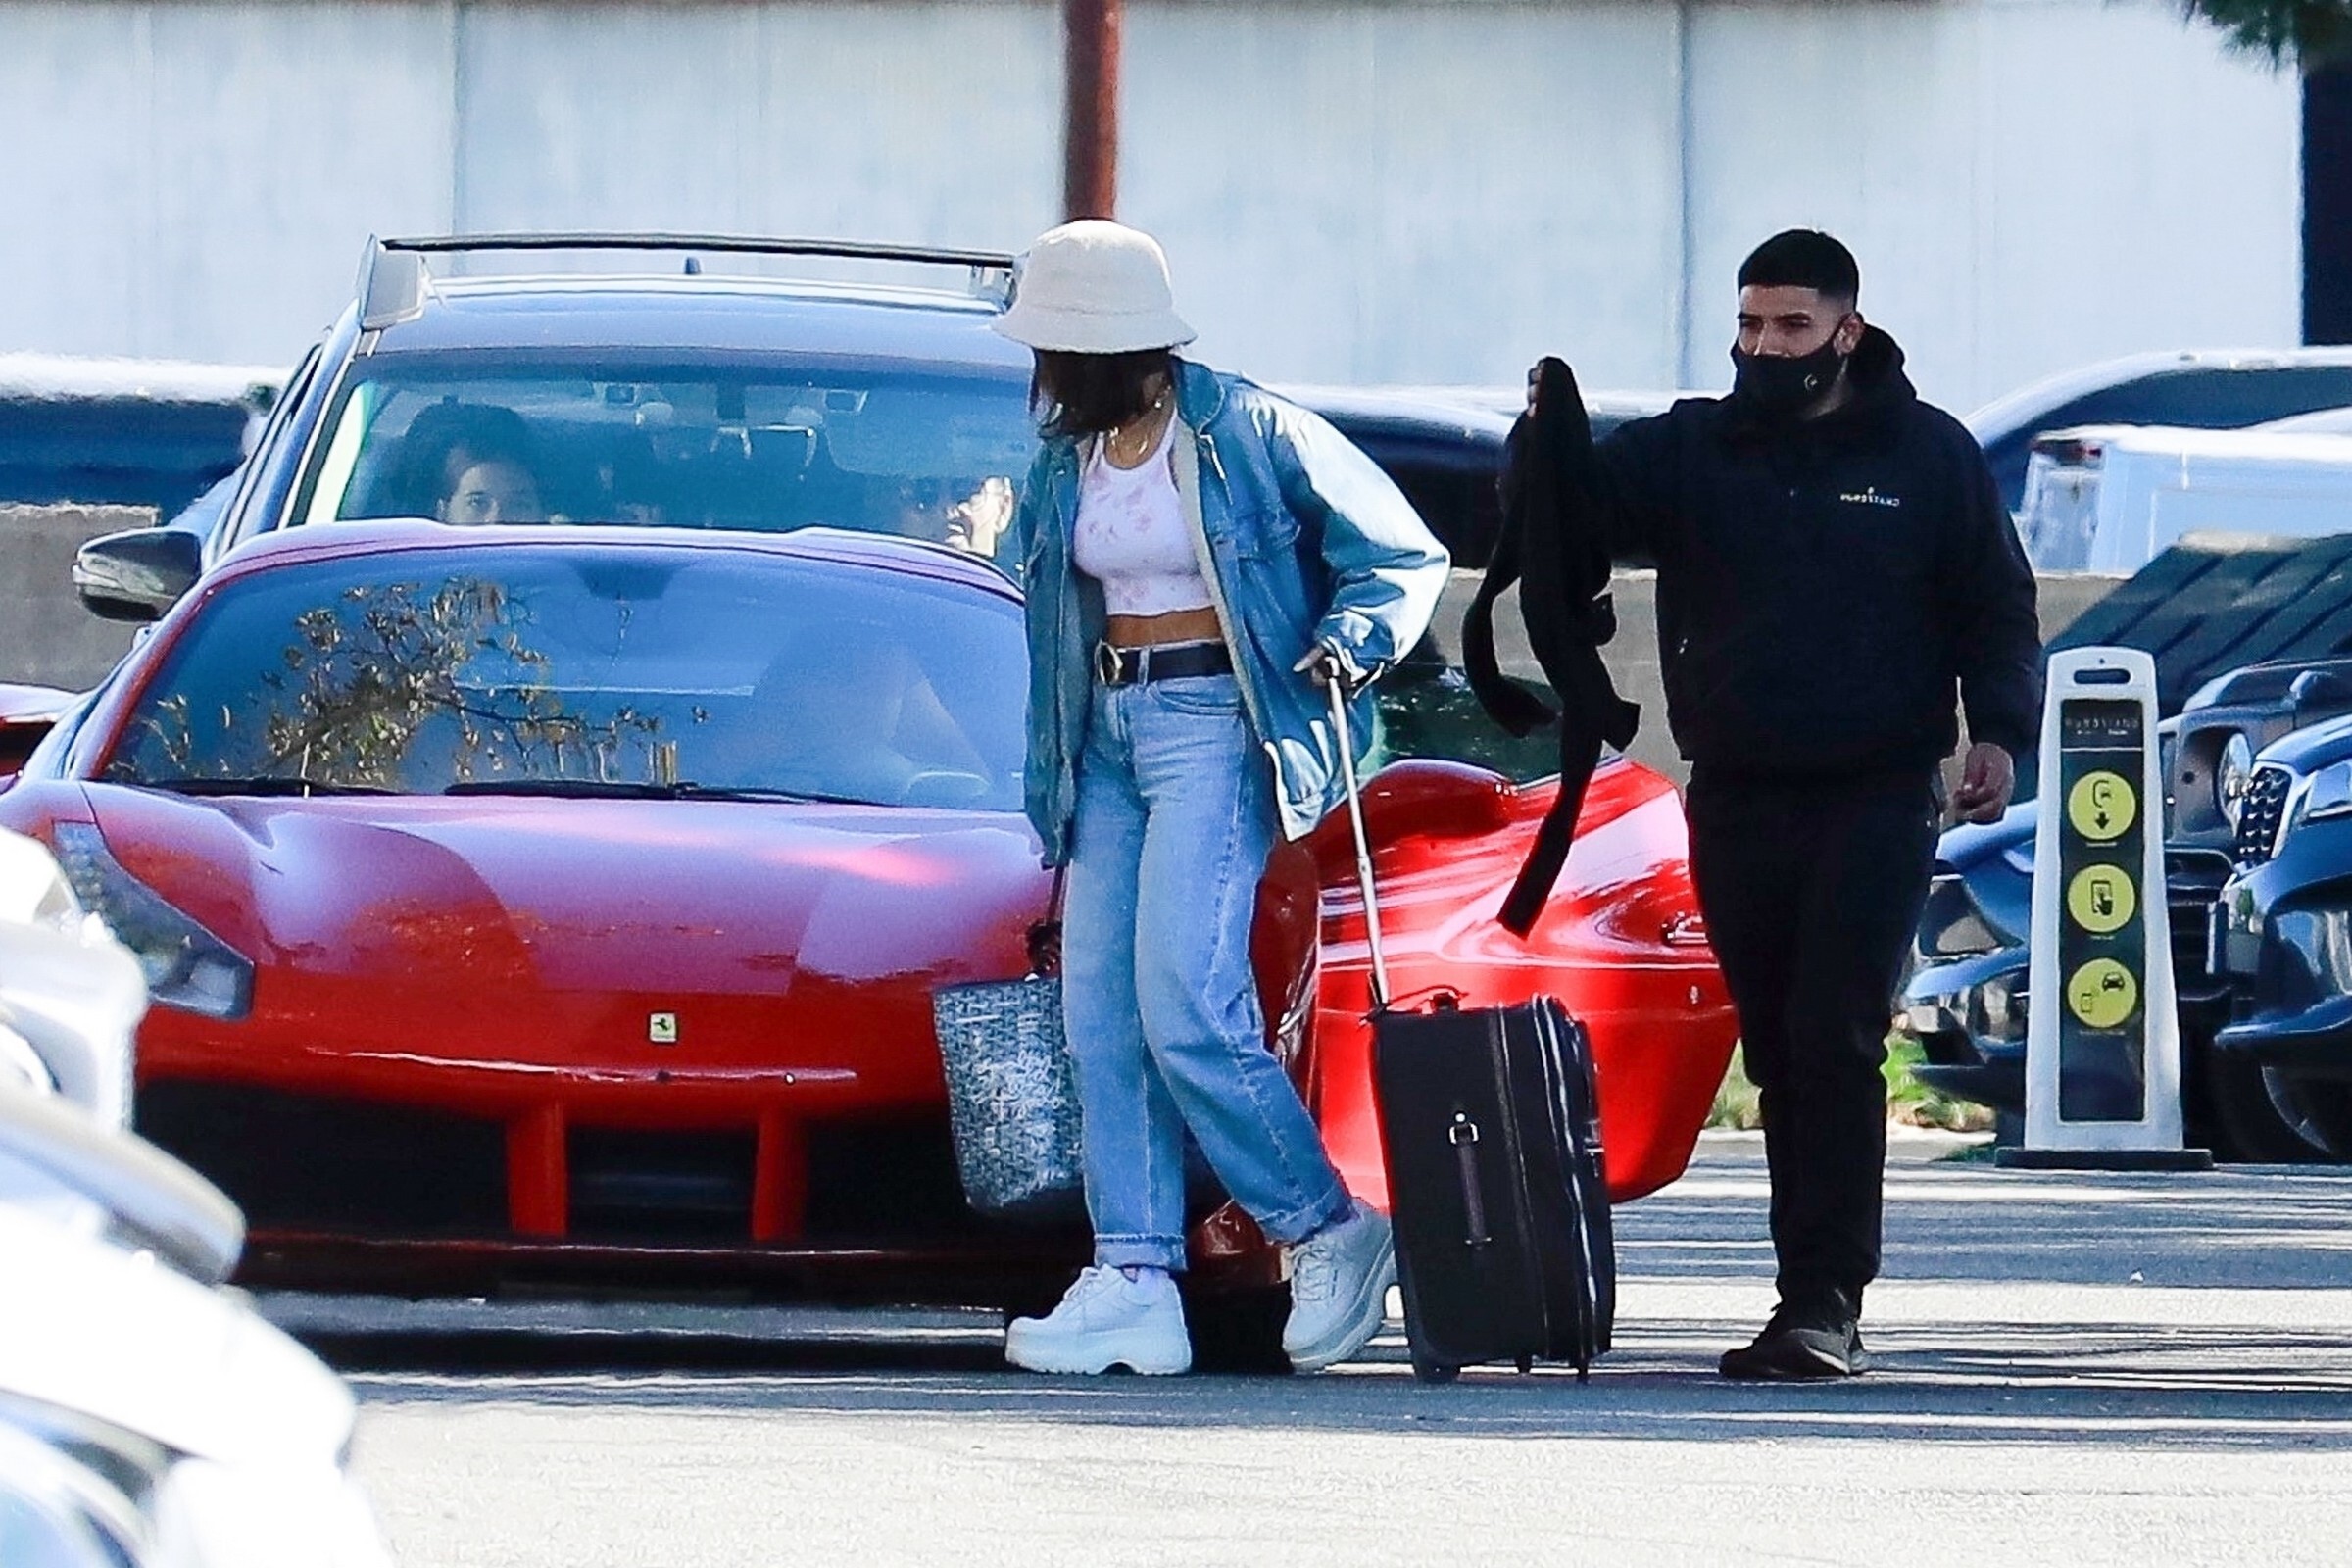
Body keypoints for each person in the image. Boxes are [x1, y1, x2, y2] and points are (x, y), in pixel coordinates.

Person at [1555, 230, 2041, 1379]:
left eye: (1792, 326)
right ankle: (1803, 1299)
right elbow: (1569, 513)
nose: (1766, 346)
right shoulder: (1694, 448)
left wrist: (2001, 736)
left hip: (1879, 790)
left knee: (1835, 1034)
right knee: (1778, 1045)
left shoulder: (1928, 455)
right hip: (1737, 791)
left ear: (1847, 330)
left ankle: (1824, 1299)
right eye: (1750, 324)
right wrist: (1546, 440)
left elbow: (1995, 608)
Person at [993, 220, 1449, 1376]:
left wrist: (1354, 637)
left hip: (1213, 723)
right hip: (1104, 732)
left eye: (1057, 352)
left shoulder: (1244, 426)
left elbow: (1400, 551)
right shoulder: (1069, 456)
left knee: (1187, 1002)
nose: (1044, 375)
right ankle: (1133, 1274)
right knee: (1099, 1017)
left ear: (1105, 349)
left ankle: (1327, 1224)